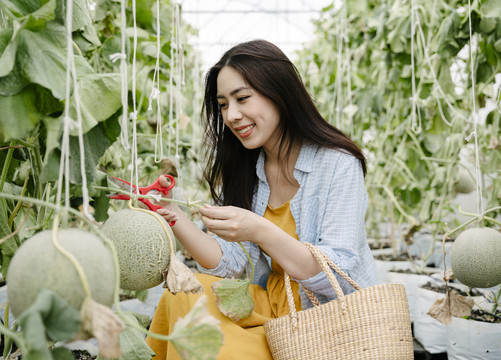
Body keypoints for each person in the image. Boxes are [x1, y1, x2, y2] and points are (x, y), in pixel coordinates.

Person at [146, 39, 377, 359]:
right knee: (181, 296)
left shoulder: (337, 163)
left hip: (329, 328)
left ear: (279, 93)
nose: (232, 115)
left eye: (242, 99)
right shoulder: (247, 168)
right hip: (272, 317)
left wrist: (258, 229)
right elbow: (229, 263)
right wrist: (171, 212)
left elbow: (335, 274)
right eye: (224, 104)